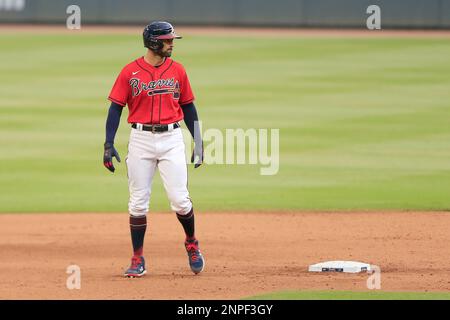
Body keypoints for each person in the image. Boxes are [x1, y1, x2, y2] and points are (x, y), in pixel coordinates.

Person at [103, 21, 205, 277]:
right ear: (153, 42)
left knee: (180, 200)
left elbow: (189, 106)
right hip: (140, 139)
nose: (171, 44)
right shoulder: (129, 72)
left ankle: (191, 242)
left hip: (172, 140)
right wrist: (108, 143)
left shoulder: (178, 71)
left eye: (172, 39)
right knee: (137, 203)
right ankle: (138, 258)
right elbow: (115, 108)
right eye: (167, 40)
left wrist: (199, 140)